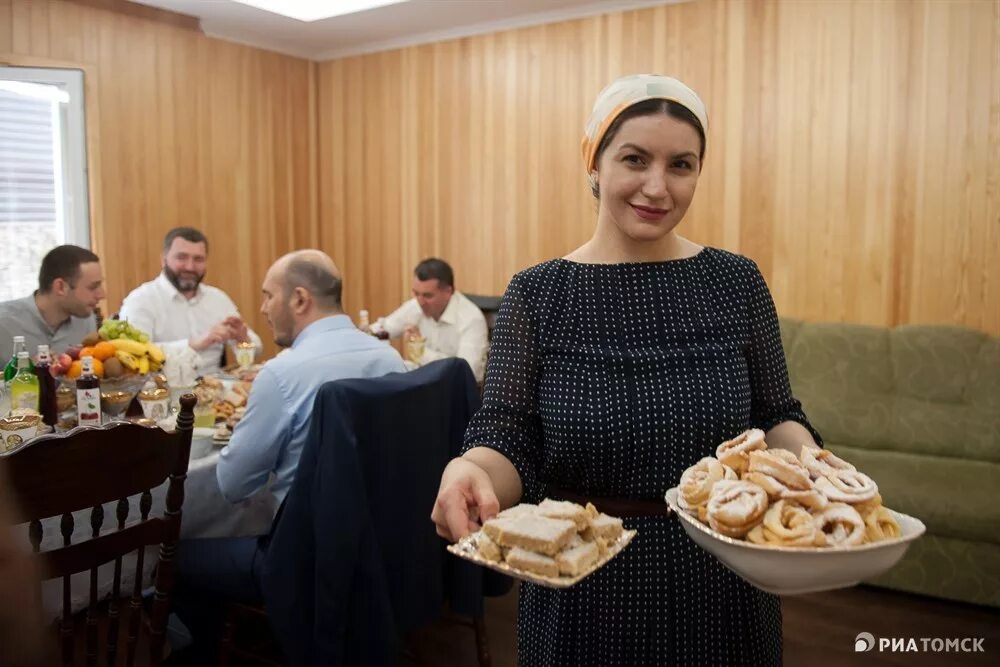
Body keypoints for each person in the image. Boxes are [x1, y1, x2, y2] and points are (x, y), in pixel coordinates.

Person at [431, 74, 824, 665]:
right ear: (593, 162)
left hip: (723, 579)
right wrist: (470, 470)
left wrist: (815, 467)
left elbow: (776, 416)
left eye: (681, 165)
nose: (657, 187)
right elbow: (507, 434)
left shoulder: (736, 283)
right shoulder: (538, 294)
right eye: (634, 159)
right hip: (584, 584)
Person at [169, 249, 405, 662]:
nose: (261, 309)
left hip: (305, 557)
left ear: (299, 299)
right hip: (380, 542)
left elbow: (233, 486)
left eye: (267, 296)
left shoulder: (283, 374)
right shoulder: (388, 358)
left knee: (173, 555)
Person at [118, 227, 262, 375]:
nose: (190, 267)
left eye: (198, 259)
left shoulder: (218, 299)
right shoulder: (140, 300)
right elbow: (134, 354)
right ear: (163, 260)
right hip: (160, 392)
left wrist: (242, 339)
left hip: (215, 389)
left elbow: (256, 349)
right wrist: (194, 344)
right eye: (182, 257)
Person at [373, 258, 488, 384]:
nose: (420, 301)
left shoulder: (471, 319)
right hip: (423, 386)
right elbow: (382, 330)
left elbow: (465, 372)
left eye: (428, 296)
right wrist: (364, 333)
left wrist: (420, 350)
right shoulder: (416, 306)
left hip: (455, 394)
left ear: (448, 292)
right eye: (416, 294)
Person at [0, 245, 105, 360]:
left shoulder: (86, 321)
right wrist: (27, 372)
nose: (102, 295)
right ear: (60, 287)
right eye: (92, 287)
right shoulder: (4, 323)